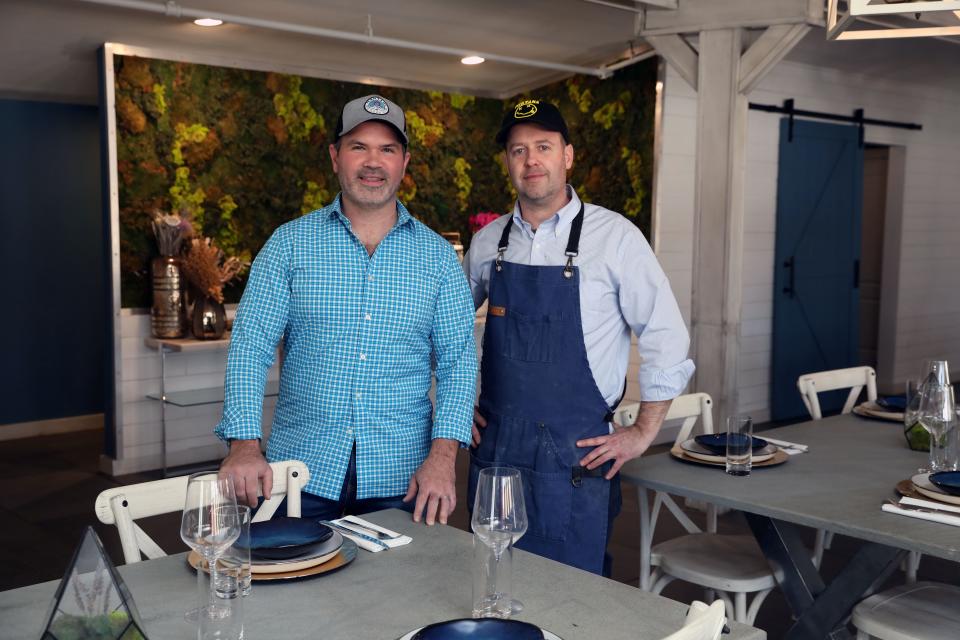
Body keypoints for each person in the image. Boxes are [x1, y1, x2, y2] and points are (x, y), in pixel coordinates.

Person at [216, 94, 477, 526]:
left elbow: (458, 364)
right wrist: (244, 445)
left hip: (403, 477)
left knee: (392, 594)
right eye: (359, 147)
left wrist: (443, 458)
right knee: (292, 588)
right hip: (299, 474)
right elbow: (251, 344)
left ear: (404, 162)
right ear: (336, 157)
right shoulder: (289, 244)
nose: (373, 162)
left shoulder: (437, 258)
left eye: (387, 149)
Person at [462, 98, 694, 574]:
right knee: (492, 586)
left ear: (567, 156)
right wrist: (458, 403)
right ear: (507, 161)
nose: (531, 160)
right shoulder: (489, 243)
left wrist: (644, 431)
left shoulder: (616, 238)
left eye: (543, 146)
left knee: (577, 597)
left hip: (575, 456)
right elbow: (450, 330)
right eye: (518, 149)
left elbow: (666, 335)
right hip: (498, 451)